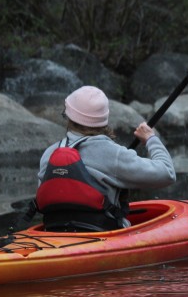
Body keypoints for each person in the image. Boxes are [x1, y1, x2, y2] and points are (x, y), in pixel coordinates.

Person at [36, 85, 175, 231]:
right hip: (102, 234)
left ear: (68, 116)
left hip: (53, 232)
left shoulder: (50, 153)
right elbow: (167, 172)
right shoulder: (114, 154)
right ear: (104, 120)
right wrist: (150, 138)